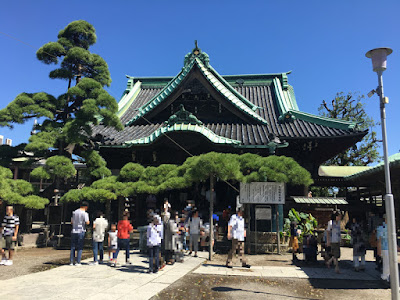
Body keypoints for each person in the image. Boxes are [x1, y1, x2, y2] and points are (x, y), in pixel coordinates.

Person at [70, 201, 89, 266]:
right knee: (80, 246)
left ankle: (71, 261)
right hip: (81, 230)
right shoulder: (85, 213)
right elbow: (87, 222)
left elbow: (71, 222)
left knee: (73, 246)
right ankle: (78, 261)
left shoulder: (74, 212)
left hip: (74, 230)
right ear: (86, 207)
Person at [377, 216, 389, 282]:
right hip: (385, 248)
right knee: (386, 263)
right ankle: (384, 277)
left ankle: (387, 277)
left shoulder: (391, 227)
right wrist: (379, 249)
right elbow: (379, 240)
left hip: (389, 248)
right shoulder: (381, 228)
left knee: (389, 263)